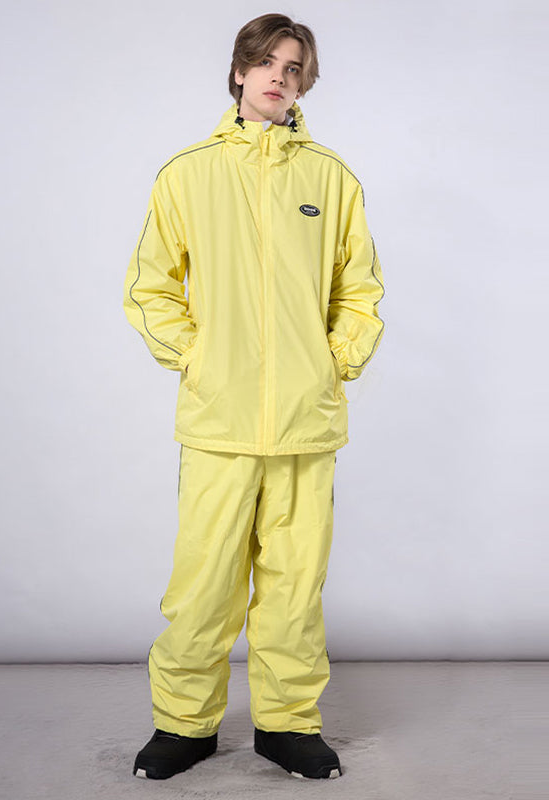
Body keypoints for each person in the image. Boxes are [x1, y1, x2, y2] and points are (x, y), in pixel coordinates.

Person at [123, 12, 384, 781]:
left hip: (306, 424)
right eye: (266, 61)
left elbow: (359, 291)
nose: (279, 75)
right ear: (240, 70)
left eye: (293, 66)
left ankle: (288, 725)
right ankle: (184, 725)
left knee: (295, 589)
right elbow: (150, 287)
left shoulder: (331, 178)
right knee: (202, 585)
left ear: (305, 82)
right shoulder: (187, 174)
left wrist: (332, 363)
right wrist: (198, 358)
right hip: (219, 422)